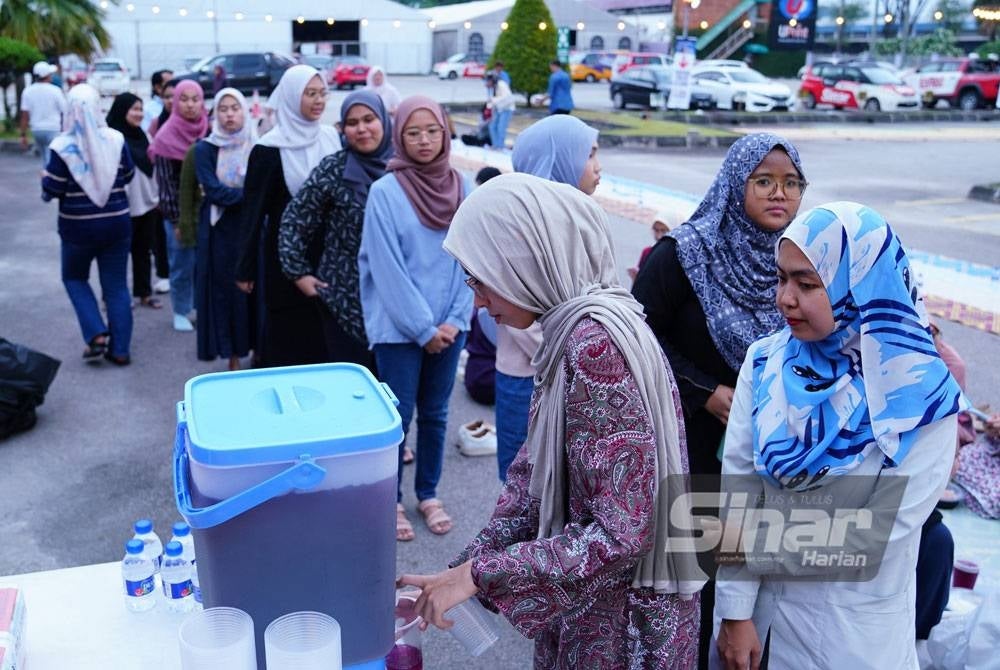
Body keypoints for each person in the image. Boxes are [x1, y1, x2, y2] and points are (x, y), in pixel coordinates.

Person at [399, 174, 703, 668]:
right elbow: (532, 480)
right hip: (592, 607)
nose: (477, 301)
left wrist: (482, 575)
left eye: (480, 278)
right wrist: (465, 569)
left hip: (622, 625)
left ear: (523, 260)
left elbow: (625, 532)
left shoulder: (596, 346)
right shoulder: (571, 332)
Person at [714, 202, 964, 670]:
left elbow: (872, 537)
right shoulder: (766, 363)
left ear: (862, 285)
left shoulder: (920, 399)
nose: (785, 299)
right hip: (754, 629)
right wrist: (734, 609)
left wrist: (759, 537)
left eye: (807, 284)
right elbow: (740, 488)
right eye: (782, 278)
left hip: (851, 640)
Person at [631, 132, 806, 668]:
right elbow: (636, 339)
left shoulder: (804, 256)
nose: (780, 194)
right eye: (764, 181)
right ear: (735, 184)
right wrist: (706, 394)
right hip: (694, 446)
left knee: (765, 576)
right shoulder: (685, 254)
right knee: (699, 581)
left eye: (792, 183)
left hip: (774, 446)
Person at [358, 95, 473, 542]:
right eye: (413, 132)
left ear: (446, 132)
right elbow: (386, 269)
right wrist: (424, 329)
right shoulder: (384, 192)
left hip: (451, 324)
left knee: (438, 414)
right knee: (397, 419)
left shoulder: (464, 188)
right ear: (399, 137)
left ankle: (427, 492)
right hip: (400, 329)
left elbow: (472, 260)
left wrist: (455, 319)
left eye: (433, 131)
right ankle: (391, 500)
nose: (424, 141)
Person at [487, 114, 601, 484]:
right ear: (562, 158)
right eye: (590, 154)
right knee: (523, 484)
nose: (599, 167)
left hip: (578, 370)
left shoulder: (585, 218)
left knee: (568, 484)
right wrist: (572, 353)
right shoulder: (518, 226)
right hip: (529, 375)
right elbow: (512, 308)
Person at [278, 90, 392, 371]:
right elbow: (295, 219)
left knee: (393, 396)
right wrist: (298, 273)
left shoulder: (405, 169)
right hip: (343, 300)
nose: (362, 129)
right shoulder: (334, 168)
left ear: (385, 122)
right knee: (351, 390)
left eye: (369, 119)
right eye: (353, 123)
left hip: (397, 301)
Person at [236, 64, 341, 367]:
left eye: (322, 93)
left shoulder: (332, 139)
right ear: (292, 96)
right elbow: (253, 212)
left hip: (328, 254)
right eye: (310, 94)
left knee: (325, 329)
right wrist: (245, 269)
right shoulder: (268, 148)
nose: (319, 100)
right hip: (283, 256)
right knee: (287, 331)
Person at [42, 85, 135, 365]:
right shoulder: (116, 139)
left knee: (74, 278)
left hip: (77, 229)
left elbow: (53, 189)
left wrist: (45, 180)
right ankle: (120, 351)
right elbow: (128, 175)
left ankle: (95, 334)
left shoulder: (61, 146)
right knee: (116, 286)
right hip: (117, 224)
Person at [192, 88, 257, 370]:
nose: (230, 114)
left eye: (235, 108)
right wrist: (249, 196)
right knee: (225, 292)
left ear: (244, 110)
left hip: (252, 228)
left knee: (256, 289)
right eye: (223, 109)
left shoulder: (257, 146)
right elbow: (214, 191)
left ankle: (258, 348)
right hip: (219, 231)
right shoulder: (205, 148)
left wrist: (249, 196)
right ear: (215, 114)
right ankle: (231, 354)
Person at [149, 80, 208, 332]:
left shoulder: (208, 129)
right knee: (181, 263)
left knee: (202, 263)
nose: (190, 105)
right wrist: (176, 220)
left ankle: (198, 306)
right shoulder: (166, 137)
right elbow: (166, 186)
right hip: (178, 214)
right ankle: (181, 310)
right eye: (184, 99)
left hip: (206, 211)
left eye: (195, 99)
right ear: (174, 102)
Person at [105, 93, 162, 309]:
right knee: (117, 256)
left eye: (140, 109)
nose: (139, 114)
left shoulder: (144, 136)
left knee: (143, 251)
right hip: (122, 205)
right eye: (134, 109)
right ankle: (115, 296)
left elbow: (153, 166)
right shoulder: (111, 138)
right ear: (122, 110)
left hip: (147, 202)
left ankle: (144, 293)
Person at [20, 61, 67, 167]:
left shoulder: (27, 91)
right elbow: (64, 111)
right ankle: (49, 180)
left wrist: (23, 134)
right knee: (51, 159)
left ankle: (46, 177)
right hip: (53, 129)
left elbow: (24, 115)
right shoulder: (55, 91)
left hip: (37, 130)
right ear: (46, 75)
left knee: (45, 158)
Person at [627, 213, 674, 281]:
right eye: (656, 230)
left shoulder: (676, 257)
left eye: (663, 231)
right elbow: (638, 285)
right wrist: (635, 278)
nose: (659, 236)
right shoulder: (647, 252)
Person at [483, 72, 515, 150]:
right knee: (492, 126)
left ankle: (500, 146)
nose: (487, 83)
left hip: (506, 108)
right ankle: (495, 145)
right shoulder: (492, 88)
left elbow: (507, 97)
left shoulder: (502, 85)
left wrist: (493, 100)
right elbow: (491, 100)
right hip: (498, 108)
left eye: (488, 81)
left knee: (501, 127)